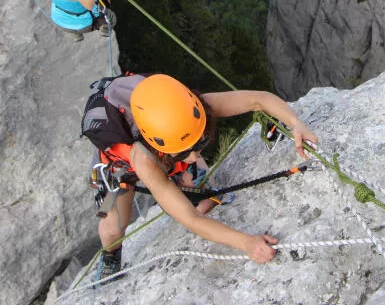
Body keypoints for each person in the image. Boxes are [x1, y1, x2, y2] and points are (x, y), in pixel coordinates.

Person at [86, 74, 318, 282]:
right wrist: (246, 243)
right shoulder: (144, 161)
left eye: (201, 142)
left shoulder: (188, 110)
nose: (197, 154)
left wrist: (296, 123)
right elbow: (190, 220)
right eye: (187, 151)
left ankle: (185, 170)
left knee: (203, 200)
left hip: (166, 147)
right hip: (117, 169)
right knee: (113, 227)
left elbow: (258, 99)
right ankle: (109, 258)